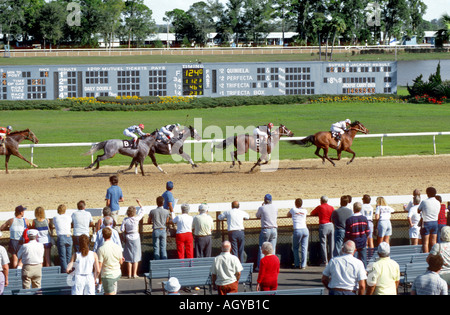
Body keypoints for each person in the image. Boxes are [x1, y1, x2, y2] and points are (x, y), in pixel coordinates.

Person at [120, 200, 146, 279]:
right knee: (136, 256)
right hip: (135, 237)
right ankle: (134, 274)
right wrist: (139, 203)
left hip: (128, 237)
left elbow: (121, 229)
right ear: (134, 213)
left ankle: (129, 274)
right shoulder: (136, 219)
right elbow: (142, 211)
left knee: (128, 256)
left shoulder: (125, 220)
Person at [98, 226, 124, 295]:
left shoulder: (101, 249)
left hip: (107, 275)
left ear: (103, 236)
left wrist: (96, 278)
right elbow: (121, 262)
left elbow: (99, 266)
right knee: (113, 291)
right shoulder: (118, 247)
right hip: (116, 273)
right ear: (111, 235)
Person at [310, 195, 335, 265]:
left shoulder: (320, 207)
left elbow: (312, 213)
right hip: (330, 225)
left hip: (323, 225)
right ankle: (332, 259)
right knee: (331, 243)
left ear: (321, 201)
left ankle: (325, 261)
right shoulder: (331, 207)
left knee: (323, 244)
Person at [256, 194, 278, 268]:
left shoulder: (262, 208)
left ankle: (261, 267)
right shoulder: (275, 207)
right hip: (274, 229)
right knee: (272, 248)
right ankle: (272, 266)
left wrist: (262, 206)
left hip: (266, 229)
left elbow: (257, 215)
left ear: (265, 200)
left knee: (262, 248)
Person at [288, 198, 309, 269]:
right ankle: (303, 265)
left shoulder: (293, 210)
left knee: (295, 247)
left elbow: (288, 214)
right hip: (305, 229)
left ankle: (297, 263)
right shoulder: (305, 210)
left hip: (297, 229)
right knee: (304, 248)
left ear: (295, 204)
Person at [418, 187, 441, 253]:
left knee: (425, 242)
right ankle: (434, 255)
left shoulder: (424, 202)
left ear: (428, 193)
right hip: (435, 222)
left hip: (426, 222)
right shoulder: (438, 202)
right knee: (433, 241)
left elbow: (418, 210)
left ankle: (425, 256)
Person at [51, 204, 73, 273]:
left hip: (61, 237)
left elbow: (53, 223)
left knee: (62, 256)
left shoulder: (55, 217)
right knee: (69, 256)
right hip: (68, 236)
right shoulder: (68, 217)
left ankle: (65, 271)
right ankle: (69, 270)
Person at [148, 196, 171, 260]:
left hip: (156, 230)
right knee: (163, 248)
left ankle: (157, 262)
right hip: (163, 230)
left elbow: (148, 221)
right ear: (163, 203)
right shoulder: (166, 212)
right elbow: (167, 221)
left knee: (156, 248)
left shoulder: (152, 211)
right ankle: (164, 262)